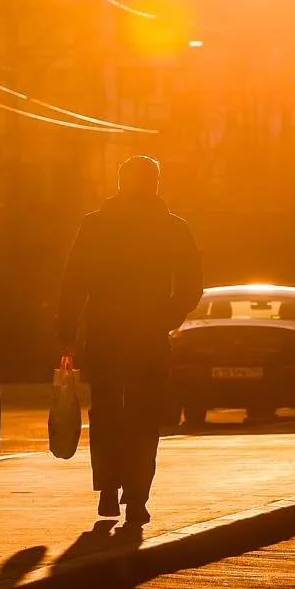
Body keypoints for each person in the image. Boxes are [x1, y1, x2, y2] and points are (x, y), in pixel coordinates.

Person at [56, 155, 202, 530]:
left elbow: (75, 280)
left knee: (106, 413)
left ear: (120, 182)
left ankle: (108, 489)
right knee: (143, 417)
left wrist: (67, 329)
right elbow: (190, 287)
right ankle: (136, 499)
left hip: (105, 335)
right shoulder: (173, 228)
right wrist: (164, 319)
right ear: (156, 184)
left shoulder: (96, 225)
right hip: (147, 338)